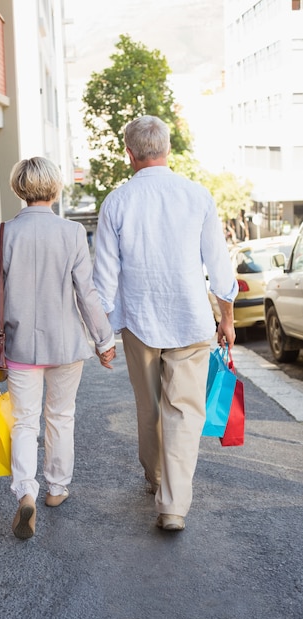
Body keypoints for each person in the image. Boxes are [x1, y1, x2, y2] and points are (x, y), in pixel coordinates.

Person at [93, 115, 238, 532]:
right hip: (191, 319)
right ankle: (172, 505)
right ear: (167, 150)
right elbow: (219, 266)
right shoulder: (197, 195)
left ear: (130, 153)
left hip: (139, 322)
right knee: (184, 411)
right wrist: (226, 319)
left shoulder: (116, 202)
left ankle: (155, 478)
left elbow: (104, 279)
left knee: (150, 407)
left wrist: (102, 336)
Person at [0, 157, 116, 540]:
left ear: (18, 189)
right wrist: (104, 340)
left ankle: (26, 491)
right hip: (67, 345)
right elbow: (86, 295)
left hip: (21, 346)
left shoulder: (0, 234)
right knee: (61, 415)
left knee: (23, 421)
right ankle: (56, 488)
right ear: (54, 189)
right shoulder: (72, 232)